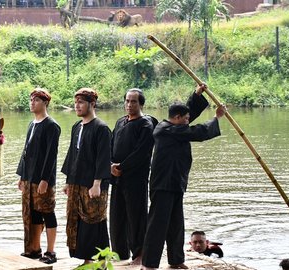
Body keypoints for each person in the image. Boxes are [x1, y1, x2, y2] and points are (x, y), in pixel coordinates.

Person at [141, 84, 226, 270]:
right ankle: (149, 264)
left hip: (176, 182)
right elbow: (196, 132)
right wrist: (216, 117)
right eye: (185, 119)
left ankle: (176, 260)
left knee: (176, 224)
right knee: (157, 225)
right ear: (177, 119)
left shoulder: (176, 125)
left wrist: (196, 95)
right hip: (162, 184)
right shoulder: (164, 129)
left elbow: (188, 116)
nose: (188, 120)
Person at [61, 88, 112, 265]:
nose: (77, 106)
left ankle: (101, 260)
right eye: (75, 103)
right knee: (77, 222)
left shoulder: (102, 128)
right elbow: (72, 155)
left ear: (92, 104)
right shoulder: (77, 127)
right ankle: (87, 260)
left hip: (93, 184)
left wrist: (97, 183)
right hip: (76, 182)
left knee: (94, 221)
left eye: (81, 102)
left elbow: (104, 158)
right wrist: (68, 181)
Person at [109, 88, 157, 265]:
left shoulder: (146, 125)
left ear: (141, 104)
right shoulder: (120, 122)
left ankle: (139, 253)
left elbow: (142, 152)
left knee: (136, 216)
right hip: (117, 177)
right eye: (127, 101)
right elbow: (111, 145)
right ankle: (119, 253)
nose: (129, 105)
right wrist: (111, 165)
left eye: (134, 102)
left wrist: (122, 166)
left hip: (135, 178)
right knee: (117, 216)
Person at [16, 88, 61, 264]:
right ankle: (34, 249)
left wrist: (45, 180)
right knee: (32, 214)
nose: (32, 103)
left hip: (43, 179)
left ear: (45, 103)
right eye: (31, 100)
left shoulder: (51, 125)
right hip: (29, 177)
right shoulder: (31, 124)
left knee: (47, 212)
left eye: (36, 100)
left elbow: (51, 155)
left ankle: (51, 252)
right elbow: (25, 151)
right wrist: (21, 175)